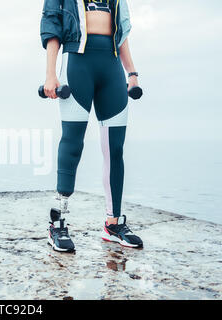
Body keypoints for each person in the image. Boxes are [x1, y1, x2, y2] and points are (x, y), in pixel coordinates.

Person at [41, 0, 143, 252]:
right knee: (73, 142)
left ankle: (113, 224)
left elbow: (122, 33)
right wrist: (50, 75)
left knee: (115, 148)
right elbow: (52, 27)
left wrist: (132, 74)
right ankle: (58, 223)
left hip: (111, 67)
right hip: (77, 63)